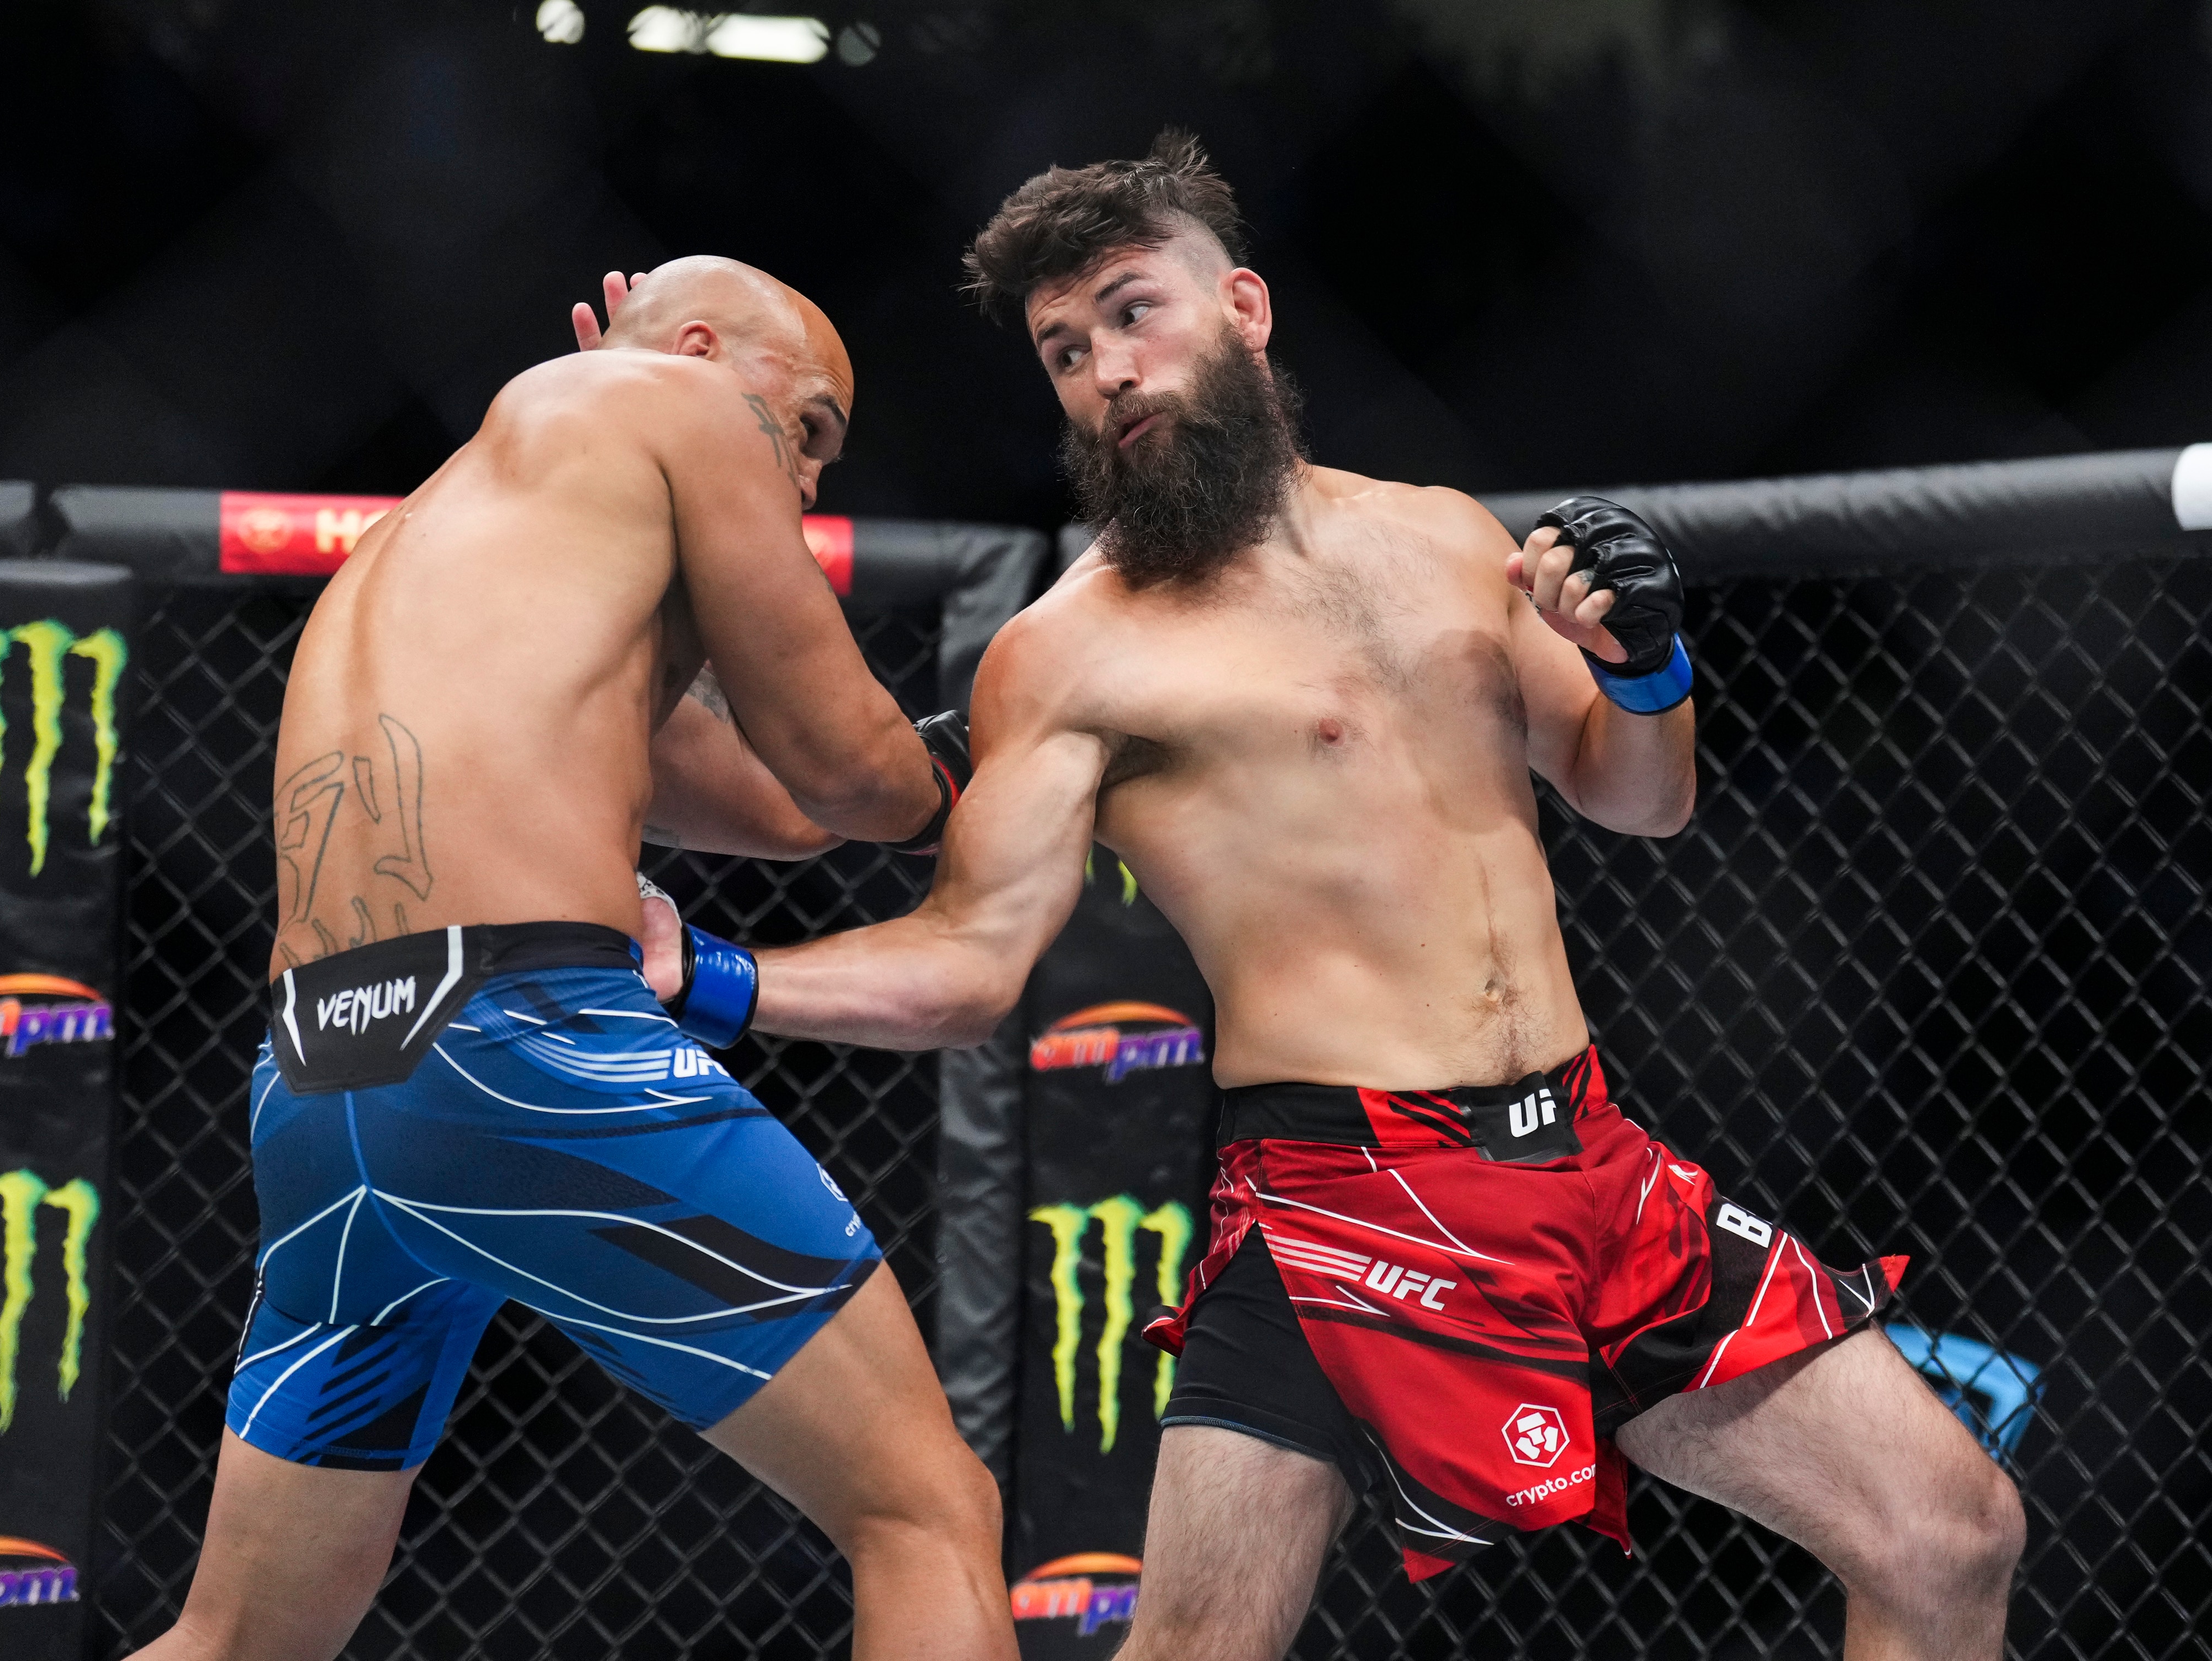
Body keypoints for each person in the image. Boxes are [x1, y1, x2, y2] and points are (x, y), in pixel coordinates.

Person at [641, 137, 2025, 1660]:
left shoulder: (1442, 535)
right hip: (1340, 1199)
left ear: (1240, 306)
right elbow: (959, 948)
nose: (1105, 367)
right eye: (1062, 349)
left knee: (1946, 1533)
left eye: (1129, 310)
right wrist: (713, 973)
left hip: (1590, 1165)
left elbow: (1642, 796)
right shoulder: (1070, 650)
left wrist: (1643, 667)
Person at [133, 257, 1010, 1661]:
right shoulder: (676, 405)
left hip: (322, 1076)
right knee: (923, 1511)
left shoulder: (439, 542)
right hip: (518, 1041)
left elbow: (778, 806)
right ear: (709, 351)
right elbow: (853, 773)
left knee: (239, 1638)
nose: (807, 489)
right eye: (810, 432)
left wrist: (889, 780)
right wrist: (981, 768)